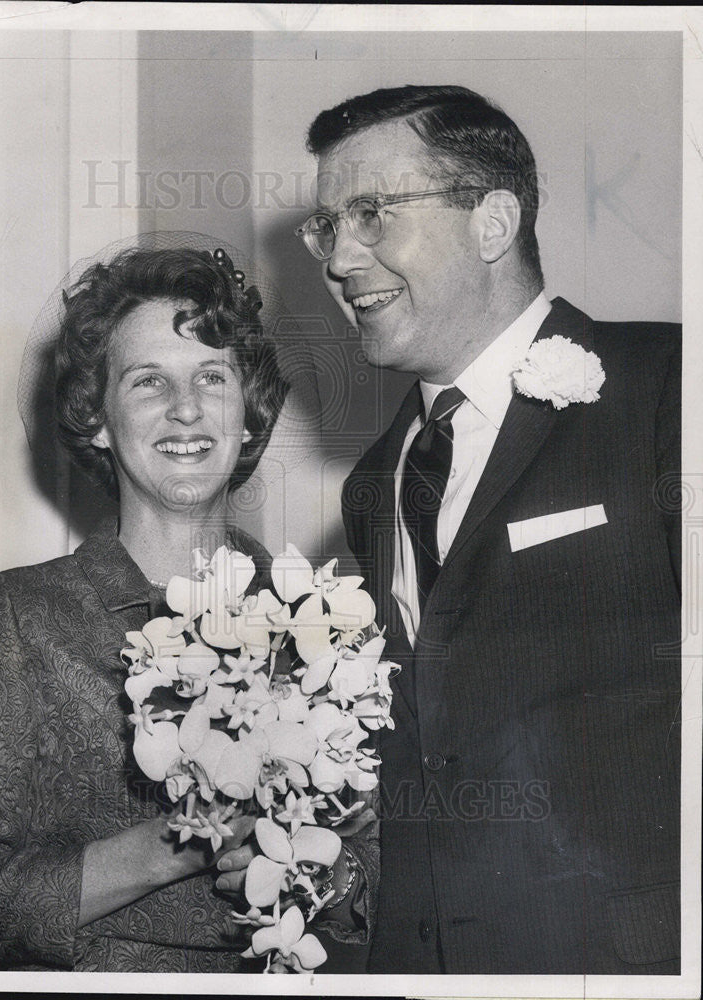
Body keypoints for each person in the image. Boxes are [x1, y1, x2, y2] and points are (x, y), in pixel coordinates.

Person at [297, 85, 681, 974]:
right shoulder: (372, 482)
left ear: (493, 222)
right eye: (326, 228)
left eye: (370, 214)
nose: (340, 258)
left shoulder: (667, 387)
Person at [0, 245, 290, 971]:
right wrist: (172, 847)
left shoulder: (315, 621)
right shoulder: (12, 617)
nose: (186, 409)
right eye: (149, 381)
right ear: (97, 418)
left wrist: (331, 874)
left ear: (248, 415)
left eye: (212, 377)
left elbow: (379, 890)